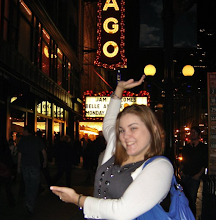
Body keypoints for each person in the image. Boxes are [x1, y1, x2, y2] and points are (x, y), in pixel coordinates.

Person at [50, 75, 174, 220]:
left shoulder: (161, 166)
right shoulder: (117, 149)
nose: (126, 136)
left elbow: (122, 211)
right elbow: (108, 124)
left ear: (152, 129)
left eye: (133, 128)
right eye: (121, 130)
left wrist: (77, 199)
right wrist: (119, 90)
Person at [17, 126, 47, 214]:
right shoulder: (37, 140)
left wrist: (19, 166)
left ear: (26, 131)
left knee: (27, 185)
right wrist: (45, 161)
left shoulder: (22, 141)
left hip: (25, 165)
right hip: (35, 165)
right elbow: (43, 152)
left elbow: (19, 154)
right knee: (34, 186)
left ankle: (28, 202)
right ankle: (30, 204)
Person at [180, 126, 208, 217]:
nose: (192, 134)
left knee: (192, 199)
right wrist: (181, 171)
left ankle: (192, 216)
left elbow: (204, 162)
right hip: (186, 175)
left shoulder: (203, 148)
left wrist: (199, 174)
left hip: (195, 176)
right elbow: (183, 161)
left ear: (198, 135)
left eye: (194, 132)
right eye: (191, 133)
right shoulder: (187, 148)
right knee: (184, 198)